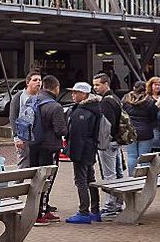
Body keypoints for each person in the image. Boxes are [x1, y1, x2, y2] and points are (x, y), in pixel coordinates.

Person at [30, 75, 67, 226]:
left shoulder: (32, 101)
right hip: (50, 146)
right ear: (56, 88)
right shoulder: (55, 107)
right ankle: (40, 213)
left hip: (33, 145)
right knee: (47, 180)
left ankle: (38, 210)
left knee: (36, 179)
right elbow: (60, 130)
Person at [63, 83, 101, 224]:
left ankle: (84, 211)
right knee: (90, 179)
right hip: (90, 149)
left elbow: (77, 135)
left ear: (84, 94)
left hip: (81, 151)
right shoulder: (94, 108)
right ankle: (95, 210)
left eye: (76, 92)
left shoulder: (81, 112)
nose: (73, 95)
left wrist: (72, 153)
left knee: (81, 180)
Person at [92, 73, 124, 216]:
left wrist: (101, 143)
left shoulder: (106, 103)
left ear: (106, 84)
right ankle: (118, 202)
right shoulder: (115, 99)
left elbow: (106, 126)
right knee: (118, 173)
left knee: (109, 175)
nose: (95, 88)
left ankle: (111, 205)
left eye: (98, 85)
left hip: (108, 143)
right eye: (94, 85)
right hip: (116, 141)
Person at [9, 71, 43, 167]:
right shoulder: (18, 97)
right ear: (28, 83)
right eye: (35, 80)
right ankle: (18, 182)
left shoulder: (41, 97)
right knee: (23, 163)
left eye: (40, 80)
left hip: (38, 137)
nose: (38, 82)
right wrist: (17, 137)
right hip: (23, 137)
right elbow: (13, 117)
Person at [122, 81, 156, 175]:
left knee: (132, 156)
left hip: (130, 131)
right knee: (144, 157)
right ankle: (144, 179)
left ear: (133, 88)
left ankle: (132, 177)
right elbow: (154, 117)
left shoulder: (126, 99)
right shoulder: (150, 101)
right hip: (146, 131)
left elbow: (122, 114)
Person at [145, 76, 160, 149]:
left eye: (159, 85)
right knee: (154, 144)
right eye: (155, 85)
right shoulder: (147, 97)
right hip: (152, 123)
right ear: (151, 86)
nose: (157, 87)